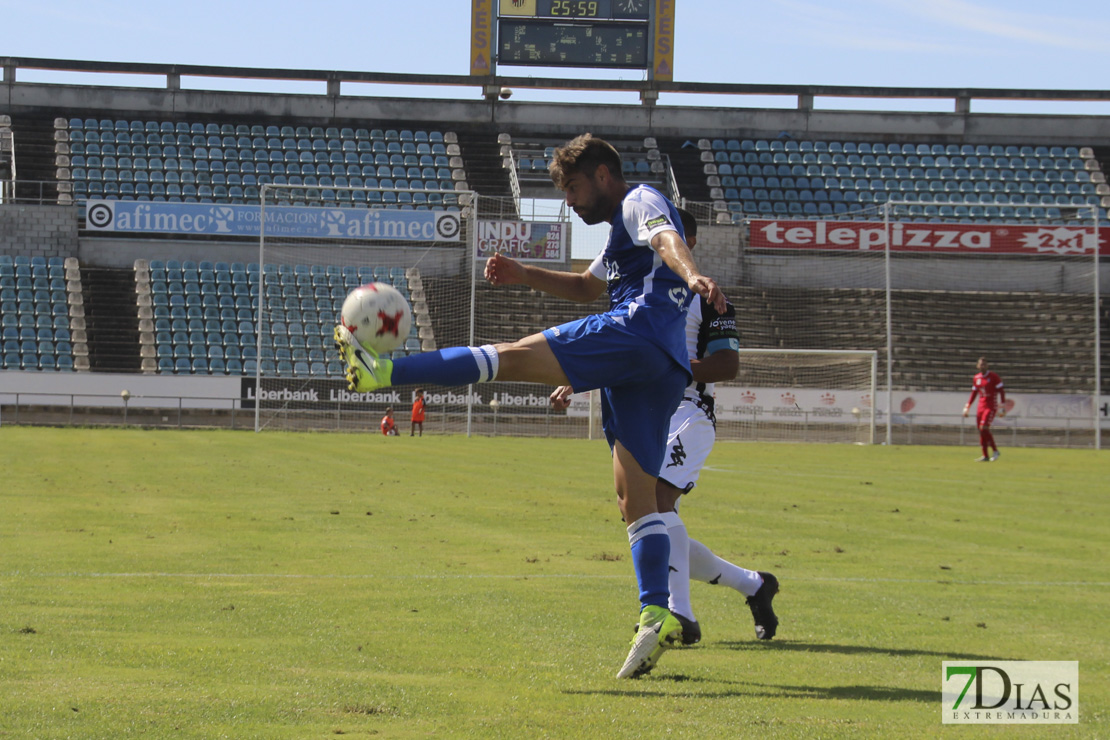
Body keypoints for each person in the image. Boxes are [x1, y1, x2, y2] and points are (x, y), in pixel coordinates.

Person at [334, 133, 725, 678]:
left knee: (512, 357)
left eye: (572, 188)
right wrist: (524, 273)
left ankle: (382, 371)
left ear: (604, 176)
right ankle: (657, 614)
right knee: (635, 498)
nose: (568, 200)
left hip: (637, 333)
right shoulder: (618, 233)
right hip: (660, 367)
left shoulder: (640, 199)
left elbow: (666, 239)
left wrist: (691, 272)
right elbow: (588, 289)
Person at [552, 208, 779, 647]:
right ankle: (753, 585)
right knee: (644, 512)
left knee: (654, 503)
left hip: (691, 412)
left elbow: (727, 365)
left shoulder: (708, 297)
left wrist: (667, 364)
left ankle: (680, 615)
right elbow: (618, 352)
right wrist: (577, 378)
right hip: (647, 413)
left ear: (685, 243)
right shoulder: (634, 295)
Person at [963, 356, 1006, 462]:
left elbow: (1001, 391)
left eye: (985, 364)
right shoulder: (976, 378)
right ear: (978, 366)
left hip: (991, 406)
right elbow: (974, 393)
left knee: (984, 427)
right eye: (981, 364)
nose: (983, 366)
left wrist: (1003, 406)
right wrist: (967, 406)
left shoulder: (994, 377)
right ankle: (985, 455)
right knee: (981, 430)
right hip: (980, 406)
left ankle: (995, 450)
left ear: (987, 366)